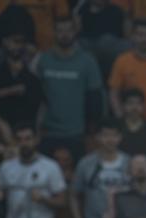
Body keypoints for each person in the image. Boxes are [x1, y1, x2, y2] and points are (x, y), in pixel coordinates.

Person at [35, 16, 103, 161]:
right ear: (54, 32)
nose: (64, 34)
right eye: (60, 30)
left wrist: (91, 132)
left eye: (68, 30)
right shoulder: (43, 60)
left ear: (75, 31)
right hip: (48, 131)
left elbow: (95, 98)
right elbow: (36, 96)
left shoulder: (87, 61)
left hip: (77, 132)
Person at [0, 29, 43, 128]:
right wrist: (10, 91)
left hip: (24, 134)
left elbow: (36, 106)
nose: (17, 45)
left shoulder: (32, 79)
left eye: (21, 42)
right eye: (14, 41)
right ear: (4, 42)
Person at [117, 89, 146, 167]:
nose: (134, 107)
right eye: (130, 103)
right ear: (123, 105)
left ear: (143, 106)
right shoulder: (117, 128)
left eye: (138, 103)